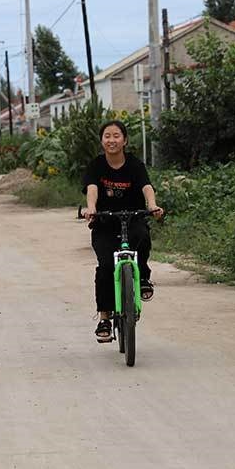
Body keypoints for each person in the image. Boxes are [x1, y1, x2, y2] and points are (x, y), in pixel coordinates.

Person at [82, 120, 164, 343]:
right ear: (102, 141)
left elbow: (146, 186)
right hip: (105, 222)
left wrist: (152, 205)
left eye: (116, 136)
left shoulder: (135, 165)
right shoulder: (96, 165)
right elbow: (92, 188)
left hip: (133, 218)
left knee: (142, 237)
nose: (112, 140)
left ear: (125, 140)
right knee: (105, 267)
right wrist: (91, 208)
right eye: (107, 136)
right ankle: (104, 318)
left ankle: (143, 277)